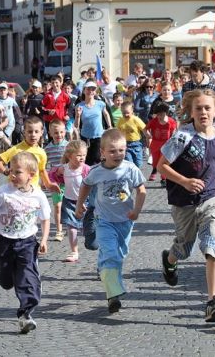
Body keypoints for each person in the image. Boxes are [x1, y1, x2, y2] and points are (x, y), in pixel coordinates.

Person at [157, 89, 215, 322]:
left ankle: (213, 300)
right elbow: (161, 166)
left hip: (210, 200)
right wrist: (185, 181)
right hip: (184, 203)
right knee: (184, 248)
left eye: (207, 108)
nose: (203, 112)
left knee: (214, 244)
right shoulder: (182, 136)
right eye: (198, 108)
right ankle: (169, 260)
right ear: (190, 112)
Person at [74, 129, 147, 313]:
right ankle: (113, 294)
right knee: (111, 254)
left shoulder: (130, 168)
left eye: (121, 150)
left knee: (119, 255)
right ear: (103, 153)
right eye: (112, 151)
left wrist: (136, 210)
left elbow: (141, 190)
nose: (117, 154)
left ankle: (104, 269)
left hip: (125, 221)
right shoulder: (96, 171)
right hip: (104, 220)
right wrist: (79, 204)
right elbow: (85, 185)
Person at [0, 152, 51, 333]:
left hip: (27, 242)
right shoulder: (3, 192)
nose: (12, 175)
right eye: (11, 171)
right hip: (4, 242)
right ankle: (8, 276)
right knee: (5, 281)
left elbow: (45, 219)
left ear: (31, 175)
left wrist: (43, 239)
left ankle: (25, 314)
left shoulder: (39, 196)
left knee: (27, 278)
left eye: (17, 172)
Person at [0, 116, 61, 193]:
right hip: (14, 190)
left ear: (41, 132)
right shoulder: (16, 149)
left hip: (33, 191)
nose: (33, 135)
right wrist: (5, 171)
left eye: (36, 131)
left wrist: (49, 184)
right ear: (24, 132)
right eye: (29, 131)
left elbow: (42, 170)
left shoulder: (42, 153)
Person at [49, 140, 90, 262]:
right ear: (69, 156)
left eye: (83, 155)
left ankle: (91, 241)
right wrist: (54, 184)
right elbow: (51, 174)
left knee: (86, 228)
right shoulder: (63, 168)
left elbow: (93, 185)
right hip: (69, 202)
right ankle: (74, 251)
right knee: (71, 227)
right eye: (78, 155)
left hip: (85, 202)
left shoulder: (86, 169)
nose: (81, 158)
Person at [75, 80, 113, 165]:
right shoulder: (79, 106)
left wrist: (109, 126)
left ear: (95, 91)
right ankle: (88, 176)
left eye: (93, 89)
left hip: (98, 135)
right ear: (84, 90)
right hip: (85, 137)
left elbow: (106, 114)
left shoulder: (101, 104)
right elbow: (76, 125)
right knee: (86, 159)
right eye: (88, 89)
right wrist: (77, 115)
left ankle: (98, 176)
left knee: (97, 158)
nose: (90, 91)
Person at [44, 119, 69, 242]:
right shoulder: (47, 149)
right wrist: (44, 180)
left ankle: (72, 225)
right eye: (56, 133)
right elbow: (42, 166)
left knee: (70, 205)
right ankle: (59, 231)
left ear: (65, 131)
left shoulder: (69, 146)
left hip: (69, 180)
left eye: (61, 132)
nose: (59, 135)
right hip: (56, 182)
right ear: (50, 133)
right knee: (58, 206)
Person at [145, 102, 177, 186]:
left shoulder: (171, 121)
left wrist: (173, 139)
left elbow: (174, 132)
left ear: (165, 113)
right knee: (155, 162)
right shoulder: (154, 121)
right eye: (158, 114)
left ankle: (164, 178)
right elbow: (145, 129)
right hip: (155, 144)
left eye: (161, 114)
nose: (159, 116)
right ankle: (155, 170)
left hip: (166, 144)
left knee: (163, 162)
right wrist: (147, 134)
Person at [116, 101, 147, 168]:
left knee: (138, 164)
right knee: (129, 163)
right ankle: (130, 177)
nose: (126, 115)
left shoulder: (136, 119)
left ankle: (137, 176)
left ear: (132, 111)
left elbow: (144, 129)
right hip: (125, 144)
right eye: (123, 113)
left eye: (127, 113)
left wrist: (148, 137)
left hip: (137, 144)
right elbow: (118, 133)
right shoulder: (120, 121)